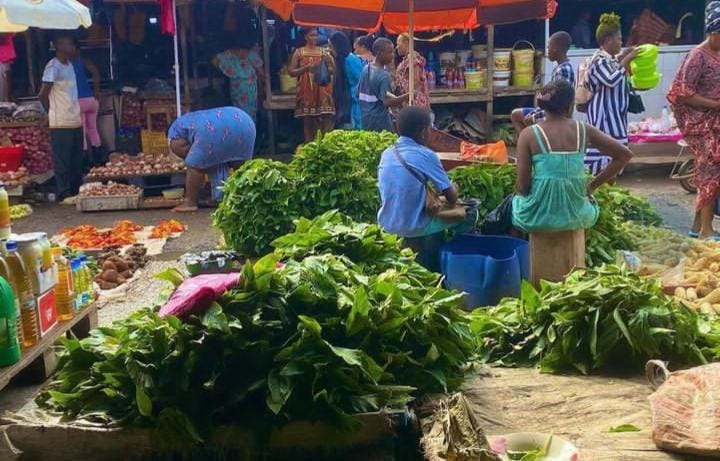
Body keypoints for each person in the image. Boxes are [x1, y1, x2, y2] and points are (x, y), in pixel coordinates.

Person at [513, 80, 632, 233]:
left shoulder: (528, 133)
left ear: (542, 106)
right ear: (570, 106)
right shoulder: (584, 129)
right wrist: (591, 187)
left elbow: (522, 186)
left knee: (514, 205)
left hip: (538, 218)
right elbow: (624, 155)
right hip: (578, 214)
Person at [377, 107, 475, 272]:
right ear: (423, 132)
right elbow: (451, 197)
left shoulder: (387, 153)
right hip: (413, 227)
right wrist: (454, 185)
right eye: (430, 128)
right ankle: (453, 263)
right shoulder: (426, 155)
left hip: (387, 222)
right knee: (471, 213)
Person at [668, 1, 720, 240]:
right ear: (713, 32)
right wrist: (715, 105)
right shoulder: (697, 56)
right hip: (702, 125)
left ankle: (696, 226)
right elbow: (682, 92)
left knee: (710, 174)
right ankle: (707, 231)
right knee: (710, 173)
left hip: (716, 124)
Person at [167, 107, 255, 213]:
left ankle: (190, 202)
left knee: (194, 166)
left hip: (211, 130)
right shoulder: (191, 118)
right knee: (240, 165)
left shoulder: (174, 128)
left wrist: (194, 161)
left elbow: (180, 146)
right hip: (245, 122)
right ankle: (249, 196)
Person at [584, 13, 638, 176]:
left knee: (614, 165)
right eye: (619, 39)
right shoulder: (598, 60)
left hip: (616, 123)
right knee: (601, 166)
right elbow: (611, 80)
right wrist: (626, 60)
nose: (621, 43)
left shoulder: (611, 60)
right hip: (603, 123)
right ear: (608, 40)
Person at [39, 35, 83, 201]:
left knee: (76, 159)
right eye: (71, 43)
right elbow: (43, 94)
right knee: (62, 160)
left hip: (75, 119)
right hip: (61, 121)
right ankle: (64, 194)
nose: (73, 47)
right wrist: (50, 113)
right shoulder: (53, 66)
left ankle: (75, 191)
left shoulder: (70, 64)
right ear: (59, 45)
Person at [511, 31, 575, 134]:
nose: (547, 51)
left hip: (554, 115)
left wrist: (535, 116)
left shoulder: (563, 70)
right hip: (549, 110)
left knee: (517, 116)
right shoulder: (560, 67)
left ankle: (529, 146)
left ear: (556, 49)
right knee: (516, 114)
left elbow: (558, 104)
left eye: (549, 48)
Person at [288, 27, 335, 142]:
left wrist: (329, 61)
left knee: (324, 117)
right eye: (311, 35)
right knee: (308, 119)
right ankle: (309, 144)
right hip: (306, 88)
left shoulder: (323, 52)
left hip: (322, 88)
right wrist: (306, 68)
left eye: (316, 35)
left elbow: (332, 70)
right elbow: (291, 71)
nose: (314, 38)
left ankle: (322, 143)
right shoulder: (299, 52)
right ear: (305, 37)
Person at [357, 38, 408, 132]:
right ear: (379, 53)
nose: (393, 55)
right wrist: (406, 96)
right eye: (390, 52)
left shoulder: (365, 69)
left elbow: (358, 93)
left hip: (365, 120)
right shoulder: (383, 76)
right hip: (379, 123)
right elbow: (387, 101)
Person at [213, 35, 264, 122]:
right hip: (239, 91)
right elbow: (215, 61)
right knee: (241, 114)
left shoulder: (250, 54)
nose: (244, 53)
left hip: (248, 91)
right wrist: (225, 70)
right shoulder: (229, 54)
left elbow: (261, 72)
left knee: (247, 113)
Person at [72, 49, 103, 166]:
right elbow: (95, 72)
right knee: (93, 130)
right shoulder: (83, 61)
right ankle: (98, 161)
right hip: (92, 100)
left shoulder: (66, 64)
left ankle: (84, 163)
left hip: (78, 101)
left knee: (82, 131)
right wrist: (96, 91)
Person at [329, 31, 363, 129]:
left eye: (331, 46)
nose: (330, 49)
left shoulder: (351, 60)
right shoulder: (339, 60)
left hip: (354, 102)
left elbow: (361, 80)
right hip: (345, 100)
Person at [394, 33, 430, 111]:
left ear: (406, 43)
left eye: (398, 44)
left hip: (415, 103)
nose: (397, 47)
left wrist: (407, 96)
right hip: (407, 101)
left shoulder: (413, 60)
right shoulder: (406, 60)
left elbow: (415, 82)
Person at [0, 34, 15, 102]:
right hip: (3, 57)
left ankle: (7, 98)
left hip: (5, 56)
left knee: (7, 77)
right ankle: (6, 98)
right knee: (5, 78)